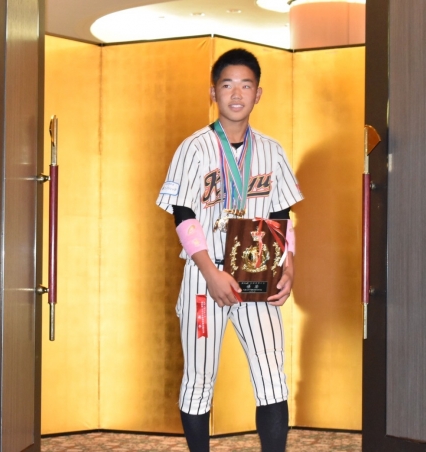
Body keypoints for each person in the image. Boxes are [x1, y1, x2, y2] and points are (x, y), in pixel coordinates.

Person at [156, 48, 303, 452]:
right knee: (199, 379)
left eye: (246, 85)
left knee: (271, 376)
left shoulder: (271, 150)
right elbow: (183, 215)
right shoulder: (195, 148)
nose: (237, 94)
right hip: (206, 277)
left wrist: (288, 265)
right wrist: (210, 273)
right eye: (227, 85)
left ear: (258, 94)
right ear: (213, 92)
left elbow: (281, 213)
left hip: (257, 273)